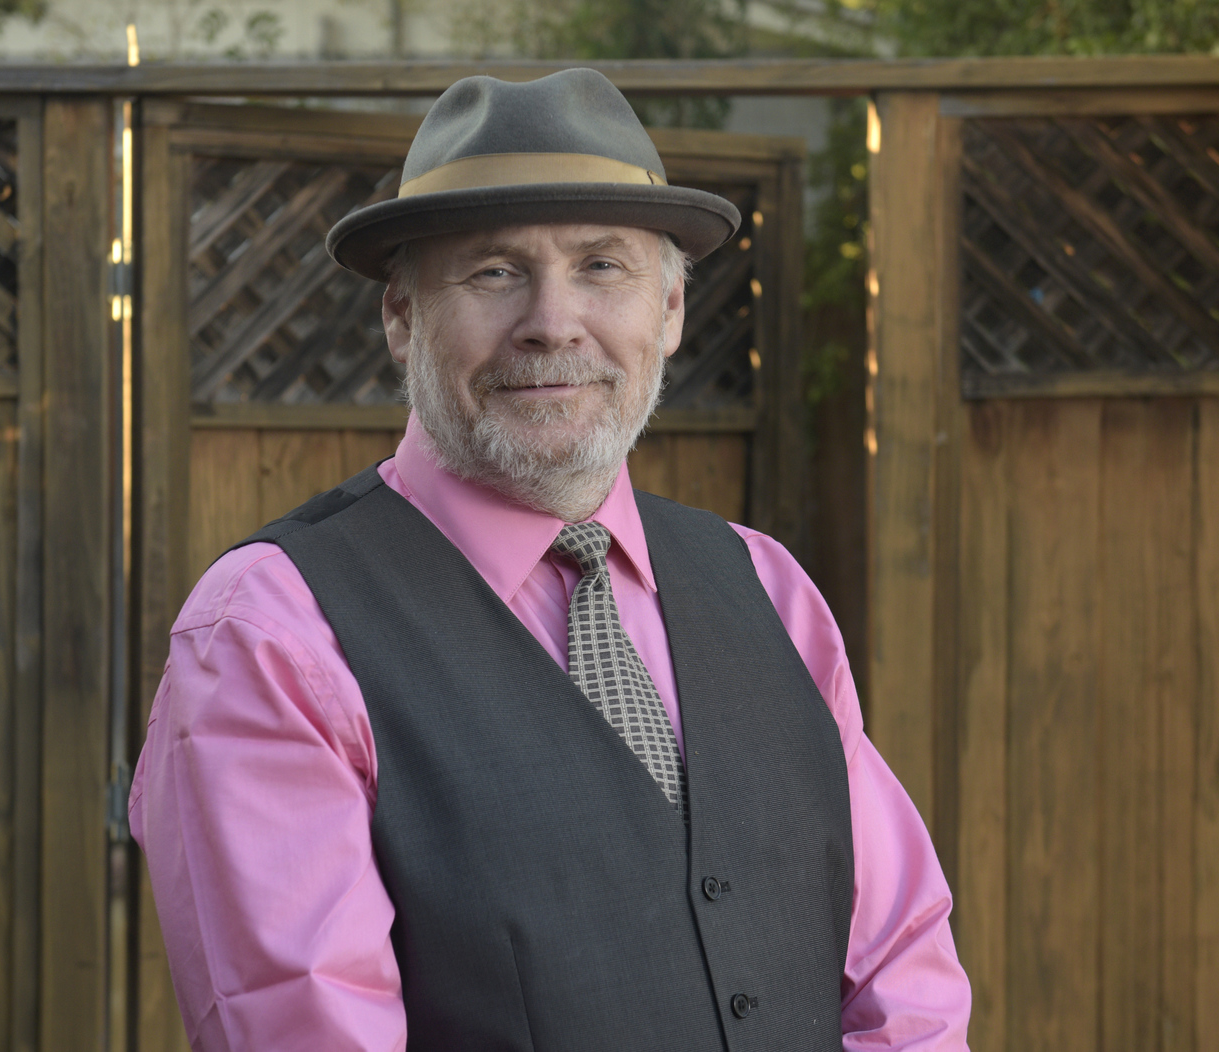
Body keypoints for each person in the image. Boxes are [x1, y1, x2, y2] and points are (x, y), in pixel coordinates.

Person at [131, 68, 971, 1052]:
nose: (551, 321)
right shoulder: (271, 635)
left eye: (602, 266)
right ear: (401, 317)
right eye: (493, 271)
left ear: (669, 310)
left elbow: (900, 973)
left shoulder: (769, 588)